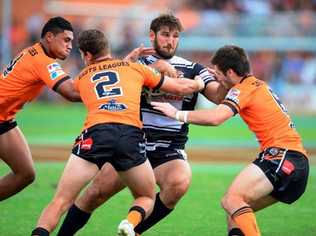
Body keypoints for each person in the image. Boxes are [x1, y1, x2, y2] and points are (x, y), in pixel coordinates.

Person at [57, 14, 227, 236]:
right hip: (133, 141)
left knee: (179, 182)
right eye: (165, 35)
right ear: (152, 36)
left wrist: (227, 81)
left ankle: (133, 231)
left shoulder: (195, 69)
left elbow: (216, 96)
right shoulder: (135, 64)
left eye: (176, 36)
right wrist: (152, 65)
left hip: (169, 147)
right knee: (94, 194)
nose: (171, 41)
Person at [151, 45, 310, 236]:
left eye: (218, 73)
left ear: (231, 72)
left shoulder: (243, 89)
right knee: (236, 212)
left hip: (281, 156)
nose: (215, 77)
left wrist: (177, 113)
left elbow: (216, 117)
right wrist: (221, 77)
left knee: (231, 200)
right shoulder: (258, 84)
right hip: (296, 163)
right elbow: (229, 87)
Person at [0, 16, 81, 201]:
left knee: (25, 174)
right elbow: (71, 93)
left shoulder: (36, 53)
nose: (70, 46)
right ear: (50, 37)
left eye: (71, 42)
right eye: (66, 40)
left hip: (4, 119)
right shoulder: (43, 61)